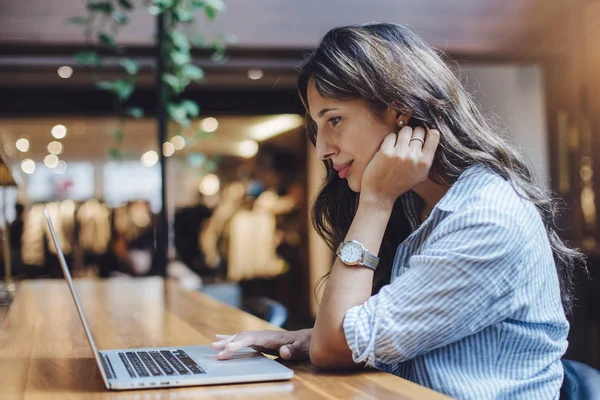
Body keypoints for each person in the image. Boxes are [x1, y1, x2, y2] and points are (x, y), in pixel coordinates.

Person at [211, 23, 583, 399]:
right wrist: (308, 337)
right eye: (317, 125)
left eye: (334, 119)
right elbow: (354, 339)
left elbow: (335, 348)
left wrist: (374, 202)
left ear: (399, 111)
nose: (323, 147)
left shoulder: (485, 217)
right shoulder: (422, 205)